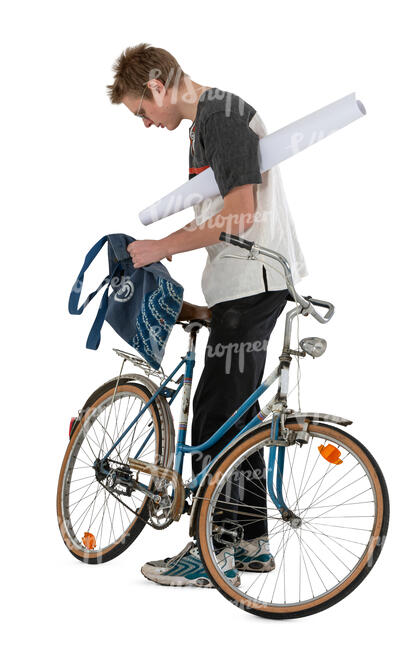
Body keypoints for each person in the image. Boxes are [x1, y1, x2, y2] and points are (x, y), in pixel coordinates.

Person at [107, 43, 307, 588]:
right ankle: (251, 545)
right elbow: (226, 217)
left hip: (254, 283)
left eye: (141, 112)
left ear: (155, 87)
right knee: (237, 420)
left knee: (214, 416)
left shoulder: (223, 114)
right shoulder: (204, 127)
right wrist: (205, 306)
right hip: (240, 291)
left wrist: (159, 246)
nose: (146, 124)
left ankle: (209, 553)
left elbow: (240, 214)